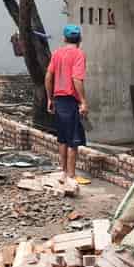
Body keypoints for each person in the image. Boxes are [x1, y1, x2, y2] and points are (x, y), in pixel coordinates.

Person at [44, 24, 88, 187]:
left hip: (59, 100)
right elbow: (77, 79)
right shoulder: (78, 54)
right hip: (71, 101)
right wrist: (83, 101)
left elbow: (48, 77)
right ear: (80, 39)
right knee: (73, 141)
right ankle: (71, 175)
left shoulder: (57, 53)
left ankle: (63, 172)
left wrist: (50, 98)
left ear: (64, 38)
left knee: (62, 139)